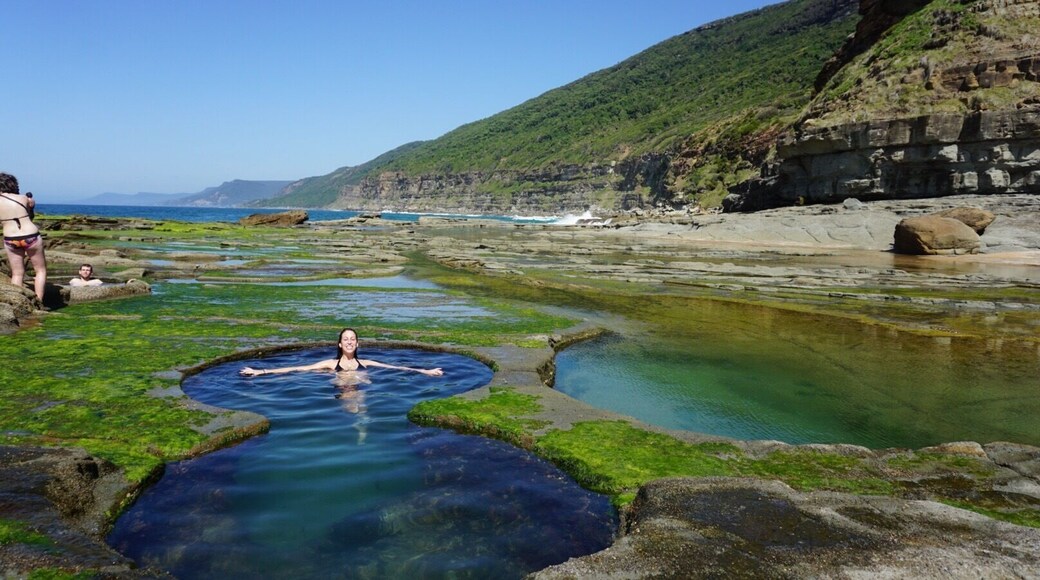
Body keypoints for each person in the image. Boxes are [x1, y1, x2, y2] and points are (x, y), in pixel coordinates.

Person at [240, 328, 445, 377]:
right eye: (345, 339)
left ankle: (361, 430)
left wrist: (426, 371)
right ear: (339, 345)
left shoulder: (365, 363)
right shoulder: (331, 364)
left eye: (352, 340)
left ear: (357, 344)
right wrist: (261, 371)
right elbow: (300, 368)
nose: (349, 342)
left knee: (361, 408)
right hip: (342, 393)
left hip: (363, 389)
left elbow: (396, 367)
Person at [0, 173, 47, 301]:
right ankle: (39, 302)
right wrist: (32, 206)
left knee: (17, 273)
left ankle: (17, 301)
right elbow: (30, 217)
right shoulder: (23, 198)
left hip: (10, 239)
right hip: (30, 236)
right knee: (40, 271)